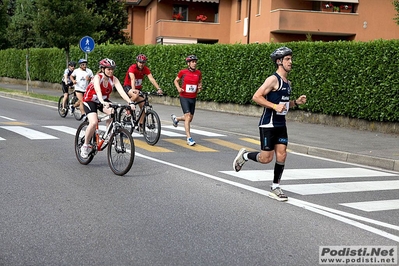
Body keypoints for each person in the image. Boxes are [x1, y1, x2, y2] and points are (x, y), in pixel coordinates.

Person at [232, 47, 307, 202]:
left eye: (291, 58)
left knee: (282, 155)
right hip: (268, 124)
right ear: (279, 61)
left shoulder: (288, 82)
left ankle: (275, 187)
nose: (290, 62)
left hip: (281, 124)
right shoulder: (273, 80)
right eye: (287, 59)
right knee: (266, 158)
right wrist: (273, 106)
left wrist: (296, 103)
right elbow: (256, 97)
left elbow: (284, 104)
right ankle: (244, 156)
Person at [80, 58, 135, 159]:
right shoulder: (97, 77)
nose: (111, 71)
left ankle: (108, 135)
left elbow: (122, 92)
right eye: (108, 69)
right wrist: (101, 101)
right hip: (90, 100)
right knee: (93, 122)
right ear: (102, 69)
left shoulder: (113, 79)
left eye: (112, 69)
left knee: (113, 111)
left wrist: (130, 102)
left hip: (103, 101)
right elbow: (98, 90)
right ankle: (85, 145)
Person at [123, 54, 162, 131]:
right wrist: (134, 90)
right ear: (137, 62)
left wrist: (159, 89)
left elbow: (151, 79)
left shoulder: (145, 69)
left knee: (143, 105)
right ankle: (128, 109)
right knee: (136, 96)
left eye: (143, 62)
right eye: (140, 62)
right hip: (129, 86)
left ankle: (140, 125)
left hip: (138, 89)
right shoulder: (132, 68)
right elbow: (132, 79)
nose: (141, 64)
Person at [170, 55, 203, 146]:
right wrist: (178, 88)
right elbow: (175, 81)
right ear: (188, 63)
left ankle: (176, 119)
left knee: (189, 119)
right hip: (184, 97)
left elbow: (200, 81)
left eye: (195, 62)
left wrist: (200, 86)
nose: (194, 63)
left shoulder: (198, 73)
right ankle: (189, 138)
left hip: (193, 97)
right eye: (192, 62)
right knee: (188, 116)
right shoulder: (183, 72)